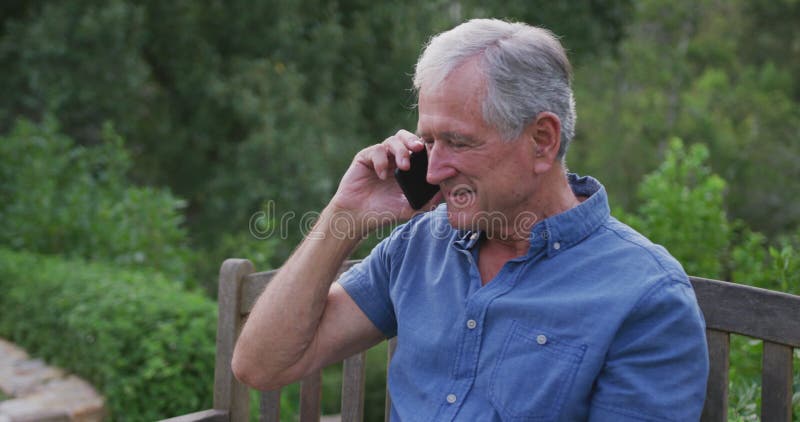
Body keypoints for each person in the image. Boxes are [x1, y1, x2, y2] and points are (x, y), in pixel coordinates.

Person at [232, 18, 709, 421]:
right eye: (429, 141)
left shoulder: (646, 297)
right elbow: (261, 366)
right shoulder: (420, 245)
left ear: (542, 140)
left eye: (458, 143)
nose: (434, 170)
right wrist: (347, 214)